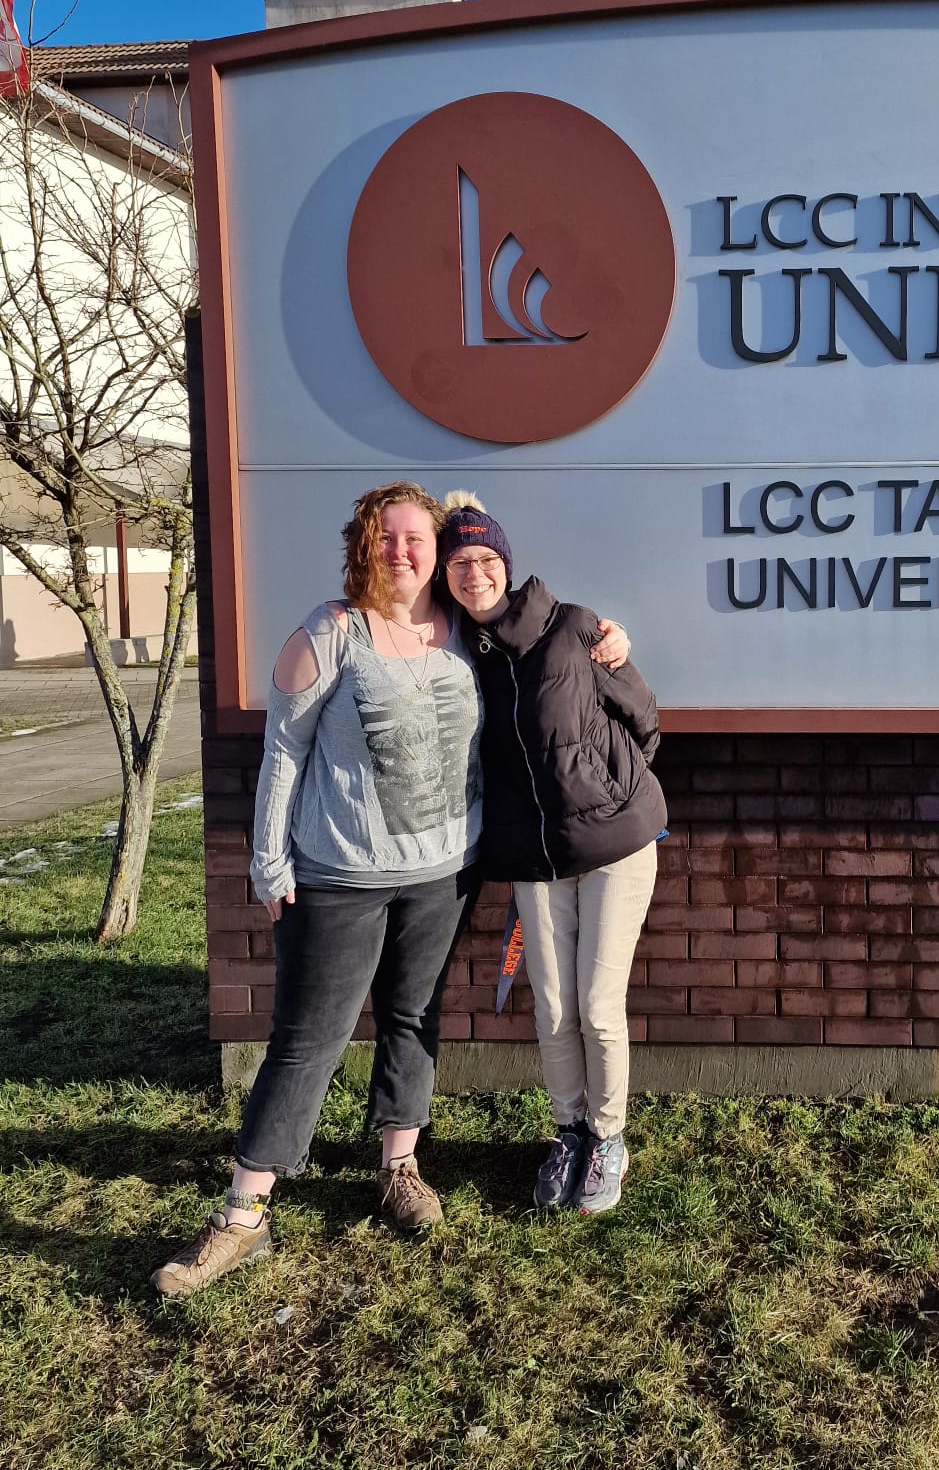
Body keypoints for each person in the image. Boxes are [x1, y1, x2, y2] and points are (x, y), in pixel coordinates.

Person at [152, 480, 629, 1296]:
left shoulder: (463, 637)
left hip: (444, 872)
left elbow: (547, 641)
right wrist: (269, 862)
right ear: (364, 546)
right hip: (339, 873)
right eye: (388, 537)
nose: (403, 551)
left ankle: (399, 1167)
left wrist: (611, 637)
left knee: (413, 1017)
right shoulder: (331, 632)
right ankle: (242, 1215)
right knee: (310, 1038)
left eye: (418, 539)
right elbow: (283, 753)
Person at [439, 491, 667, 1216]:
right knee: (553, 1008)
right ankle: (568, 1131)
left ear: (505, 563)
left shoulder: (572, 628)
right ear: (445, 576)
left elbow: (644, 717)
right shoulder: (455, 655)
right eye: (459, 562)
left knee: (599, 1007)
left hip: (613, 844)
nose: (473, 572)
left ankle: (609, 1139)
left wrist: (606, 783)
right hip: (532, 856)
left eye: (484, 558)